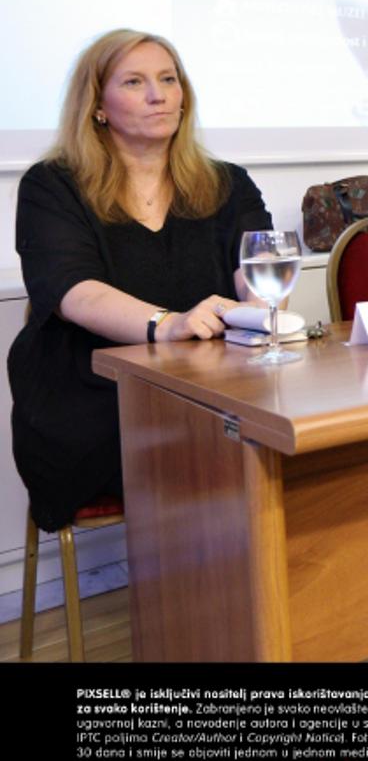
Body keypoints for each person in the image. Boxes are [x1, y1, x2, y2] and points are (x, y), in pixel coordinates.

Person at [8, 29, 272, 534]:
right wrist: (167, 325)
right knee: (228, 454)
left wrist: (260, 310)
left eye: (168, 79)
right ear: (98, 105)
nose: (159, 95)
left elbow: (256, 272)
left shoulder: (228, 182)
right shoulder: (52, 185)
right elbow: (72, 291)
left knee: (289, 444)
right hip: (94, 398)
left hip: (211, 390)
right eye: (134, 82)